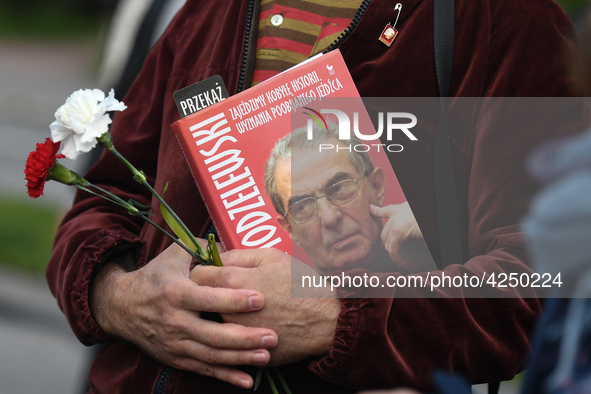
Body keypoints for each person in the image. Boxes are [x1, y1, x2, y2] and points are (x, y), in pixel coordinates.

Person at [46, 0, 589, 393]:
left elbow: (540, 284)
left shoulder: (506, 19)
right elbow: (104, 200)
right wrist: (121, 297)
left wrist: (339, 317)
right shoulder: (210, 13)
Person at [263, 121, 435, 275]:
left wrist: (437, 232)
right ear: (290, 228)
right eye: (303, 206)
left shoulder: (434, 250)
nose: (330, 218)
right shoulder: (289, 307)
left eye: (339, 188)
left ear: (377, 186)